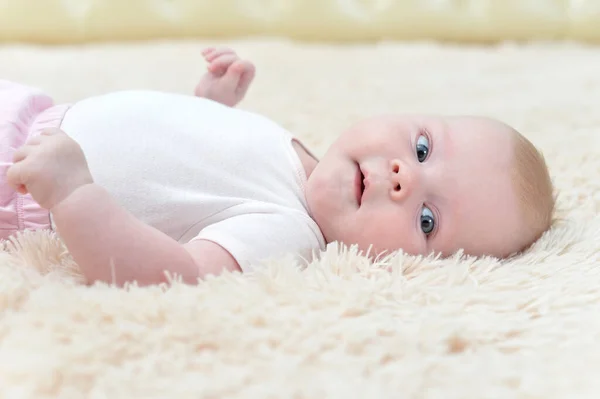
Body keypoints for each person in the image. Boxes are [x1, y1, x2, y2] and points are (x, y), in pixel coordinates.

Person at [1, 47, 555, 286]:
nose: (404, 177)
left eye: (428, 220)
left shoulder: (286, 232)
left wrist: (74, 194)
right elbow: (187, 173)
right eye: (423, 149)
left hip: (22, 183)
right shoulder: (298, 155)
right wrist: (209, 106)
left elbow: (172, 276)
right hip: (33, 112)